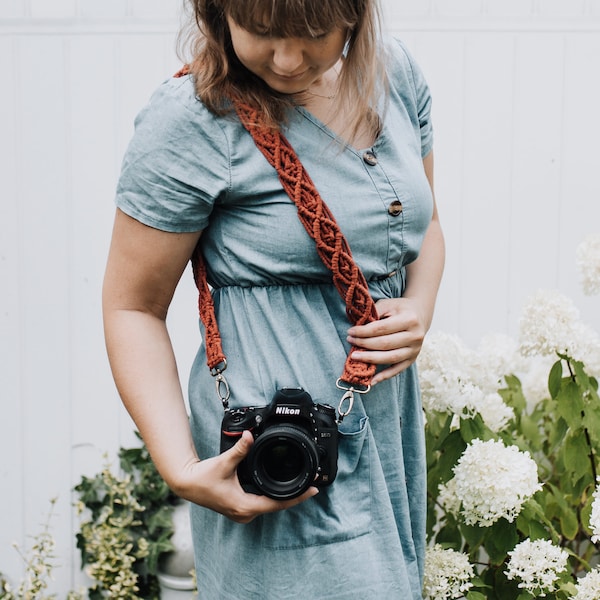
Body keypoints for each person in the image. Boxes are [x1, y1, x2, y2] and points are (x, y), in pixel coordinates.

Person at [102, 0, 445, 597]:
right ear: (216, 12)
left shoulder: (394, 75)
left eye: (313, 33)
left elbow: (424, 223)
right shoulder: (192, 120)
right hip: (273, 449)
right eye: (260, 32)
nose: (286, 59)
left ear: (356, 12)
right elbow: (132, 307)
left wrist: (419, 305)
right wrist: (182, 471)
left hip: (384, 430)